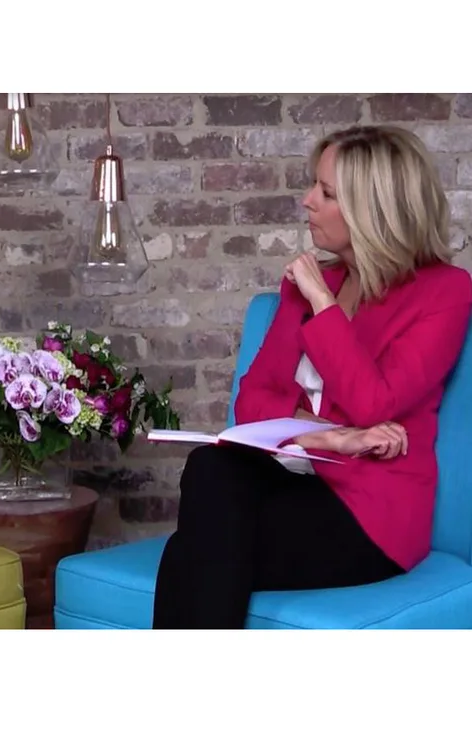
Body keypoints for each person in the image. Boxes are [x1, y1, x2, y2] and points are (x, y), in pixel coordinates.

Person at [152, 124, 472, 629]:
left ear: (373, 209)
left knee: (190, 552)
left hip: (369, 514)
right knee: (211, 467)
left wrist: (324, 302)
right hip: (293, 482)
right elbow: (250, 404)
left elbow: (374, 403)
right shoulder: (306, 284)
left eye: (326, 193)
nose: (307, 201)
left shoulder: (444, 292)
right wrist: (328, 436)